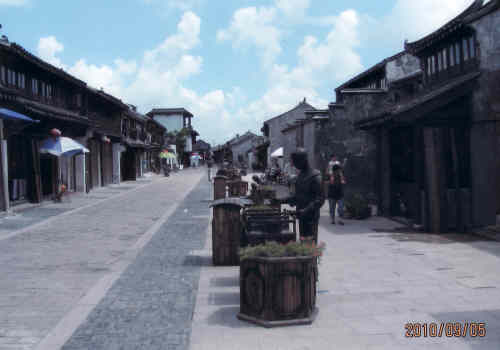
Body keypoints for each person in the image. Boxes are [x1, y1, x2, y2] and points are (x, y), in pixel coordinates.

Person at [277, 148, 324, 243]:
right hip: (302, 216)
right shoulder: (300, 175)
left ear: (303, 160)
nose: (294, 165)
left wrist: (305, 210)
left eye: (295, 162)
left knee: (310, 245)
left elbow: (320, 199)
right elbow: (297, 196)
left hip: (311, 217)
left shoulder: (315, 176)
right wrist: (281, 200)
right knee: (303, 241)